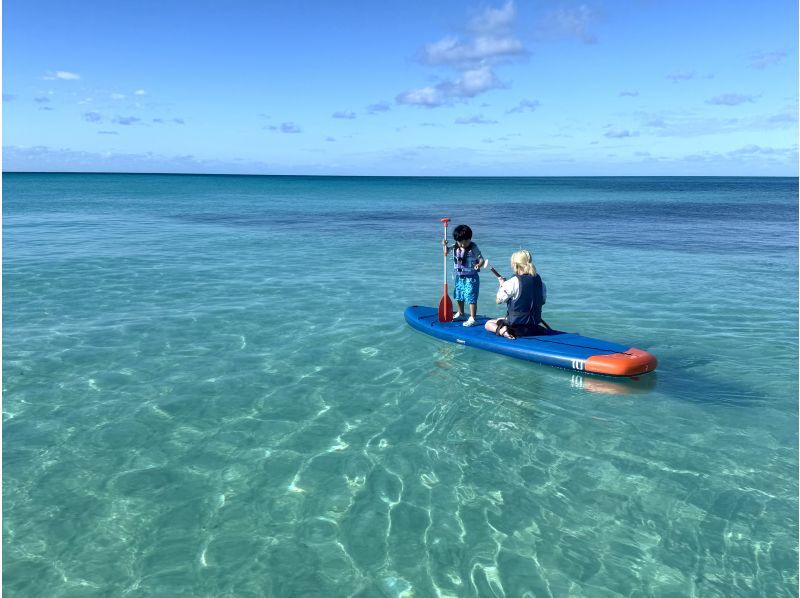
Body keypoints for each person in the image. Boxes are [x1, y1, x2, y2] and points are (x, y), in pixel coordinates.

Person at [485, 249, 547, 339]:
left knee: (488, 324)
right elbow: (542, 301)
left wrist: (502, 286)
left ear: (516, 265)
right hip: (533, 326)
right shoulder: (540, 283)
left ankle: (503, 331)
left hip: (516, 328)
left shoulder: (512, 282)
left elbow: (498, 301)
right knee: (500, 319)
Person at [441, 224, 484, 326]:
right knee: (459, 295)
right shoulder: (455, 246)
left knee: (471, 296)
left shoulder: (473, 248)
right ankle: (461, 313)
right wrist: (444, 245)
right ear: (457, 240)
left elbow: (481, 259)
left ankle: (473, 318)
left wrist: (479, 265)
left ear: (470, 239)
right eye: (460, 242)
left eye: (466, 241)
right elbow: (445, 252)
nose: (463, 244)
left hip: (471, 277)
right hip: (459, 276)